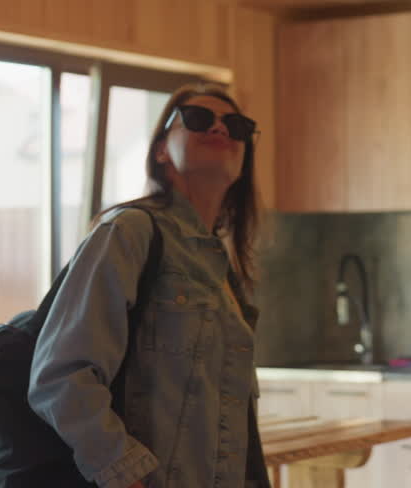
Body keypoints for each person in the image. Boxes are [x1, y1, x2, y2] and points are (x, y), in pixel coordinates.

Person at [29, 84, 271, 488]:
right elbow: (62, 375)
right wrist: (126, 476)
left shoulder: (221, 268)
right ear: (161, 150)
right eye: (197, 119)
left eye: (236, 124)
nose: (220, 129)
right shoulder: (130, 231)